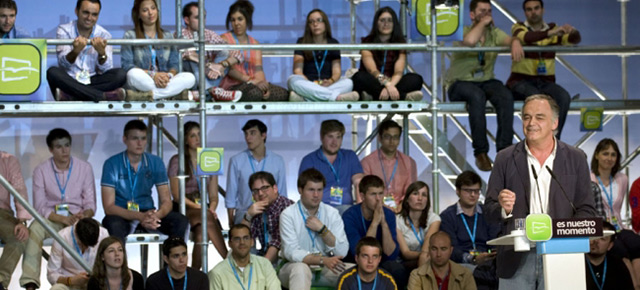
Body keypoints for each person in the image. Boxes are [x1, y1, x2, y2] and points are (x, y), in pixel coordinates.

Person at [484, 94, 596, 289]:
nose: (531, 123)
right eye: (526, 117)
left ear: (555, 123)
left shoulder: (576, 158)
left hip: (561, 256)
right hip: (516, 259)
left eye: (539, 117)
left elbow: (586, 209)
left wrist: (565, 232)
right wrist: (503, 209)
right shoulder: (505, 158)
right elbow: (488, 210)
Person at [444, 0, 524, 172]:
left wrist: (515, 41)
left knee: (505, 95)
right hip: (459, 82)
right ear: (472, 15)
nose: (487, 14)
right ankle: (480, 152)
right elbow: (470, 42)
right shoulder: (462, 31)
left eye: (489, 11)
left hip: (485, 81)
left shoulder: (494, 33)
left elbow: (510, 39)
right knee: (476, 97)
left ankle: (504, 151)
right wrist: (482, 23)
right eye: (482, 11)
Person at [20, 128, 97, 290]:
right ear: (50, 150)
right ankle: (30, 283)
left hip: (80, 218)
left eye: (67, 145)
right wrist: (63, 219)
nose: (64, 150)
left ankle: (98, 279)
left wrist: (84, 215)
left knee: (100, 231)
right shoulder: (41, 170)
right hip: (54, 218)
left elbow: (91, 204)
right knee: (35, 229)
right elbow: (40, 206)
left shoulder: (85, 168)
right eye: (59, 147)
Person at [101, 120, 189, 243]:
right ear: (124, 139)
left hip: (148, 212)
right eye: (135, 138)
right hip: (122, 214)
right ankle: (120, 262)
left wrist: (156, 216)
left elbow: (166, 201)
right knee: (112, 223)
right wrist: (140, 216)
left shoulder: (156, 162)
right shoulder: (111, 164)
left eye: (143, 138)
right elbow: (109, 208)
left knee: (180, 220)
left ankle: (170, 262)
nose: (139, 143)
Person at [507, 0, 579, 139]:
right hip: (521, 81)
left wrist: (572, 31)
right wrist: (551, 33)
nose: (533, 12)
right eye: (529, 9)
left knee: (563, 97)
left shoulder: (553, 28)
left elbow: (574, 39)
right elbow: (528, 37)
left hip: (546, 83)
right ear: (525, 13)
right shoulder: (519, 27)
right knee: (537, 99)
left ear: (543, 10)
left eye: (536, 8)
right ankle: (536, 141)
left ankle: (552, 141)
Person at [167, 121, 227, 270]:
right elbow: (176, 195)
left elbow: (213, 196)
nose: (197, 138)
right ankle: (230, 262)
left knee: (201, 234)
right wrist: (200, 208)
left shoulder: (211, 157)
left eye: (199, 134)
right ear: (186, 140)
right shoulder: (177, 160)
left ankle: (193, 276)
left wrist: (211, 208)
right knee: (206, 219)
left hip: (203, 208)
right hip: (184, 207)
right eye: (193, 135)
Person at [279, 168, 350, 289]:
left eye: (319, 190)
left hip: (325, 268)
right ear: (300, 190)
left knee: (356, 272)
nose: (316, 195)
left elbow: (342, 252)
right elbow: (291, 252)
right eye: (311, 190)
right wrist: (322, 260)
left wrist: (323, 230)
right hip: (294, 267)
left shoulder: (332, 213)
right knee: (300, 269)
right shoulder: (288, 214)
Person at [47, 0, 129, 102]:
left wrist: (101, 53)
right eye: (86, 13)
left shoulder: (104, 35)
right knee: (52, 72)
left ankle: (73, 96)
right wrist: (75, 51)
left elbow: (106, 69)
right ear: (76, 11)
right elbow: (63, 64)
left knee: (120, 74)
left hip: (92, 80)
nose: (89, 18)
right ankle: (101, 96)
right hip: (69, 80)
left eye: (94, 14)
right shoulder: (64, 30)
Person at [122, 0, 196, 101]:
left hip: (165, 81)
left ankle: (150, 95)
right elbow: (127, 66)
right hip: (145, 80)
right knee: (132, 74)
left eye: (153, 8)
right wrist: (154, 75)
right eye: (145, 10)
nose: (150, 13)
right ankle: (170, 95)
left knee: (190, 77)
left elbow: (174, 64)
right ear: (138, 14)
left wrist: (168, 76)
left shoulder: (167, 35)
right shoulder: (130, 35)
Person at [590, 138, 640, 286]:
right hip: (602, 228)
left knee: (636, 244)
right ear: (597, 155)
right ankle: (632, 286)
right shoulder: (589, 178)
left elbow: (617, 208)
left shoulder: (622, 179)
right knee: (619, 249)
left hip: (619, 226)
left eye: (613, 154)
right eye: (605, 154)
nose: (609, 158)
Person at [342, 175, 407, 289]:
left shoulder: (389, 214)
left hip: (381, 261)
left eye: (381, 193)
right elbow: (358, 252)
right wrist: (375, 223)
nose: (378, 199)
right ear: (362, 196)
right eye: (373, 194)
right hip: (357, 261)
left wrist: (383, 223)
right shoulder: (350, 215)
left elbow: (391, 254)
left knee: (397, 270)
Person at [440, 171, 500, 289]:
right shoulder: (447, 216)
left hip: (487, 261)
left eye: (476, 191)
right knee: (480, 276)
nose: (473, 195)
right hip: (462, 263)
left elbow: (495, 240)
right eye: (468, 191)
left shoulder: (488, 213)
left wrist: (490, 254)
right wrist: (473, 259)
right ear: (458, 191)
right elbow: (450, 249)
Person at [220, 0, 289, 102]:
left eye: (240, 19)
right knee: (255, 93)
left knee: (284, 94)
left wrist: (263, 86)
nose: (236, 23)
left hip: (254, 84)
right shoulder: (224, 39)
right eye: (233, 20)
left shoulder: (255, 43)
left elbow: (258, 70)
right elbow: (230, 71)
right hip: (232, 87)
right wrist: (252, 81)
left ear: (247, 20)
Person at [351, 7, 423, 101]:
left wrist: (390, 85)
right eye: (382, 20)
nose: (386, 24)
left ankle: (372, 97)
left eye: (390, 20)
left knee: (416, 79)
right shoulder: (367, 41)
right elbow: (372, 70)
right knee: (359, 77)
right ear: (376, 23)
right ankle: (403, 97)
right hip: (374, 80)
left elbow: (398, 71)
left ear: (394, 24)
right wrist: (386, 84)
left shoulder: (400, 43)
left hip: (393, 81)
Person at [287, 9, 359, 102]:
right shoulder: (302, 42)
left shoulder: (333, 43)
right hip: (308, 83)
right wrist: (310, 84)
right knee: (293, 80)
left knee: (348, 83)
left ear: (325, 23)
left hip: (328, 84)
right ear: (308, 26)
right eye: (311, 22)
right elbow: (297, 70)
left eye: (319, 20)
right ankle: (336, 98)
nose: (315, 24)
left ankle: (306, 98)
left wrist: (330, 81)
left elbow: (336, 71)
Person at [178, 1, 243, 102]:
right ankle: (212, 91)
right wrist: (209, 65)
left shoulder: (209, 34)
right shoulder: (181, 34)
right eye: (197, 17)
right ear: (187, 20)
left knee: (225, 53)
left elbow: (237, 54)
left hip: (206, 77)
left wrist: (221, 65)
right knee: (192, 58)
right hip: (191, 80)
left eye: (204, 17)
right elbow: (188, 55)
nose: (202, 21)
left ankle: (206, 93)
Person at [226, 119, 287, 226]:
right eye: (246, 134)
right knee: (242, 235)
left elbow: (282, 193)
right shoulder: (236, 160)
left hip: (272, 213)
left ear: (263, 135)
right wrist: (231, 220)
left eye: (252, 133)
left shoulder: (277, 160)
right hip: (245, 211)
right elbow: (231, 194)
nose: (248, 138)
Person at [299, 119, 364, 214]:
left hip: (346, 209)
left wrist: (360, 211)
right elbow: (304, 190)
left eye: (338, 137)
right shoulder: (309, 160)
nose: (334, 142)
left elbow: (359, 182)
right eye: (330, 137)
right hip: (319, 209)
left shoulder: (350, 156)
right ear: (321, 137)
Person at [360, 119, 417, 210]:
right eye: (387, 137)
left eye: (395, 137)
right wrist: (384, 207)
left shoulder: (409, 162)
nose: (391, 141)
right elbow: (365, 193)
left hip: (402, 210)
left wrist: (401, 207)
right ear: (380, 138)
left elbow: (411, 191)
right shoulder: (367, 162)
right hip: (375, 209)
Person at [241, 171, 293, 263]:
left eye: (264, 188)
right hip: (264, 255)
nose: (260, 193)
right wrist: (248, 216)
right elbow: (241, 238)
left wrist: (263, 267)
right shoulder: (256, 208)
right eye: (256, 191)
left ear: (275, 188)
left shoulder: (287, 207)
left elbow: (278, 242)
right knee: (234, 252)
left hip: (286, 259)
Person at [209, 224, 280, 290]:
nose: (242, 242)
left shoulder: (265, 265)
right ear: (230, 244)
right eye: (237, 239)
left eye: (246, 238)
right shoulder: (217, 273)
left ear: (252, 242)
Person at [47, 218, 109, 290]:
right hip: (69, 283)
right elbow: (52, 274)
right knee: (56, 289)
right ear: (76, 234)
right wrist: (71, 280)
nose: (85, 249)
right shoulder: (62, 237)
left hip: (94, 284)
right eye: (82, 245)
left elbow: (109, 266)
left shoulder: (103, 234)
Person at [0, 151, 31, 290]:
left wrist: (22, 221)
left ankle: (1, 282)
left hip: (2, 214)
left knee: (20, 236)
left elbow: (20, 190)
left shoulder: (8, 160)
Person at [408, 231, 477, 290]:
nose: (438, 254)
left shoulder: (465, 274)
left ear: (451, 250)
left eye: (443, 249)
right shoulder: (416, 275)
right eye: (434, 249)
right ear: (429, 250)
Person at [396, 181, 441, 269]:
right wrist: (425, 255)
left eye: (424, 195)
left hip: (428, 259)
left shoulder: (434, 218)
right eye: (415, 194)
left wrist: (426, 255)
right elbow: (406, 253)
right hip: (404, 263)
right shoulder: (397, 220)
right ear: (407, 199)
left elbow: (429, 239)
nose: (420, 198)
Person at [585, 222, 634, 290]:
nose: (596, 240)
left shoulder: (618, 265)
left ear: (610, 245)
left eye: (602, 239)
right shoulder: (576, 262)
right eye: (594, 236)